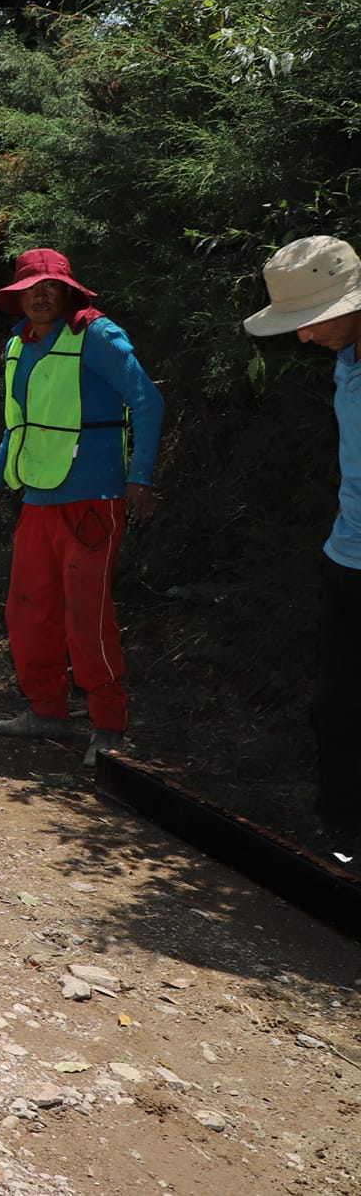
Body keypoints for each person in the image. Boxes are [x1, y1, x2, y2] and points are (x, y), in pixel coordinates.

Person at [0, 248, 164, 764]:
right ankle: (47, 711)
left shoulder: (96, 334)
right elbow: (21, 424)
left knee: (88, 616)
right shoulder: (21, 342)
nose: (41, 295)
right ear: (18, 295)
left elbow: (146, 399)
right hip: (38, 497)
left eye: (51, 286)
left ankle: (109, 727)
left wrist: (139, 478)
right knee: (29, 610)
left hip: (93, 502)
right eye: (31, 287)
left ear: (68, 291)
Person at [243, 235, 361, 852]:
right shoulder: (349, 360)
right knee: (337, 705)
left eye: (313, 322)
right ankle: (338, 828)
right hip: (345, 559)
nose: (305, 337)